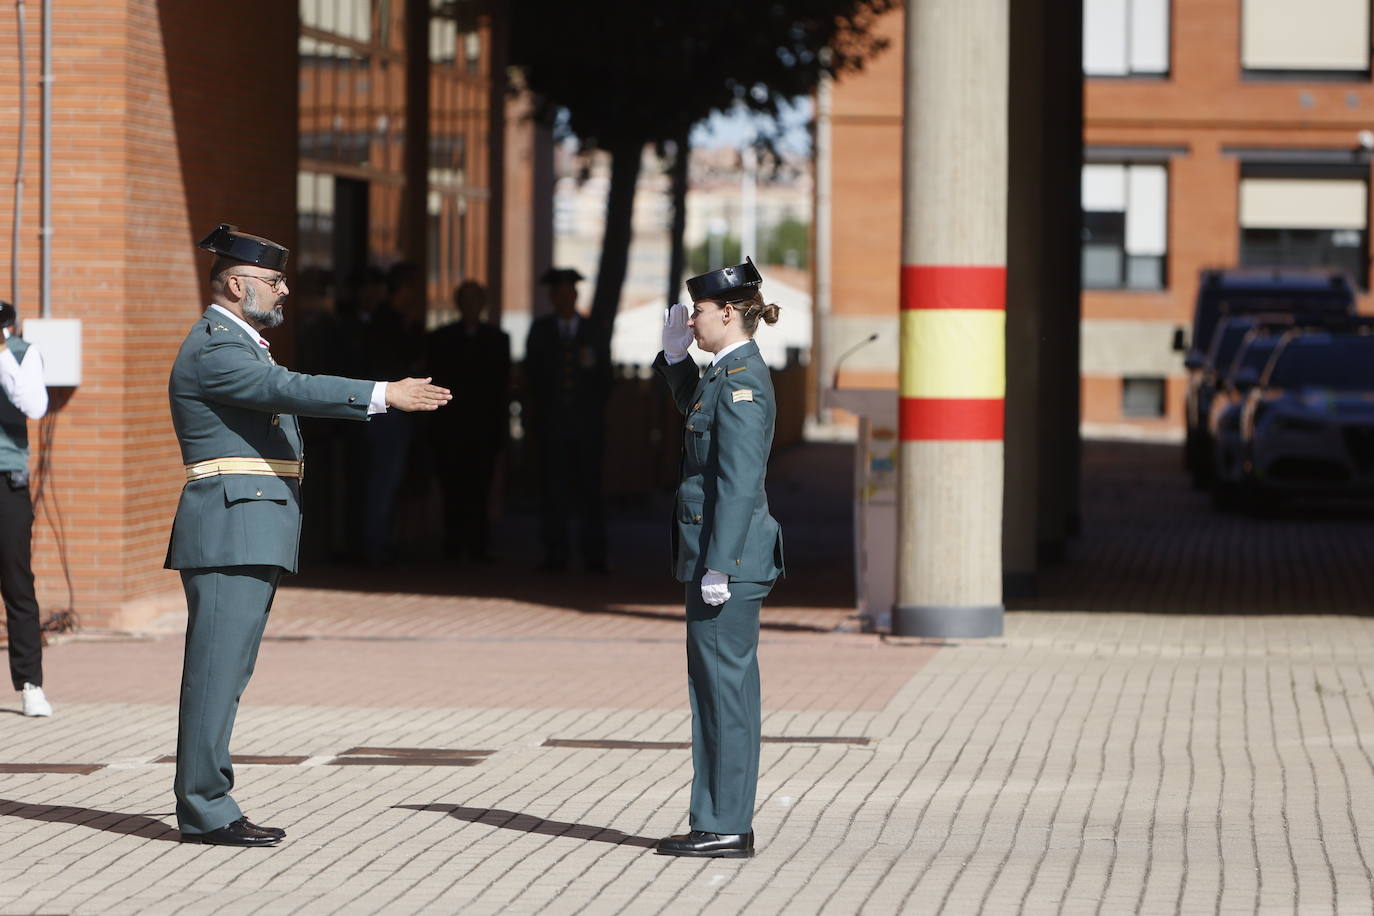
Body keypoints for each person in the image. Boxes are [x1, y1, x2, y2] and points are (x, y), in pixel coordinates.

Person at [165, 225, 451, 847]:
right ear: (237, 284)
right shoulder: (217, 346)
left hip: (248, 524)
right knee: (215, 674)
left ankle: (208, 799)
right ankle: (206, 808)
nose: (285, 289)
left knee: (226, 674)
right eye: (273, 280)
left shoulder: (244, 344)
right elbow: (284, 390)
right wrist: (382, 393)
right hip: (230, 526)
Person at [651, 258, 784, 859]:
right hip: (714, 558)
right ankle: (716, 818)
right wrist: (677, 360)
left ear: (728, 311)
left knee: (724, 693)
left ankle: (727, 822)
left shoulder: (743, 380)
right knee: (712, 691)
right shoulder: (725, 373)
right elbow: (698, 420)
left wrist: (720, 567)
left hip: (724, 561)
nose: (692, 320)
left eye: (699, 312)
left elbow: (736, 481)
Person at [523, 267, 612, 571]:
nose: (564, 298)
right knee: (553, 490)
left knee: (590, 490)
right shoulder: (541, 330)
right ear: (551, 297)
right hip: (552, 426)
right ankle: (555, 552)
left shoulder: (593, 329)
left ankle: (594, 553)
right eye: (558, 293)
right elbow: (532, 378)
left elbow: (605, 379)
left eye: (569, 292)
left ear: (575, 295)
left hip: (587, 426)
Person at [426, 280, 510, 561]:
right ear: (459, 304)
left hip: (483, 429)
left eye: (477, 299)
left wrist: (501, 432)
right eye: (467, 299)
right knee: (452, 488)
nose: (472, 305)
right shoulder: (441, 338)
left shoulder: (498, 339)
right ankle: (452, 544)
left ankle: (478, 546)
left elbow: (502, 389)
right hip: (450, 428)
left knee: (480, 489)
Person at [0, 300, 51, 718]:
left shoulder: (21, 354)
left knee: (17, 582)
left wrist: (2, 354)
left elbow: (33, 405)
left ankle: (30, 684)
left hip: (6, 482)